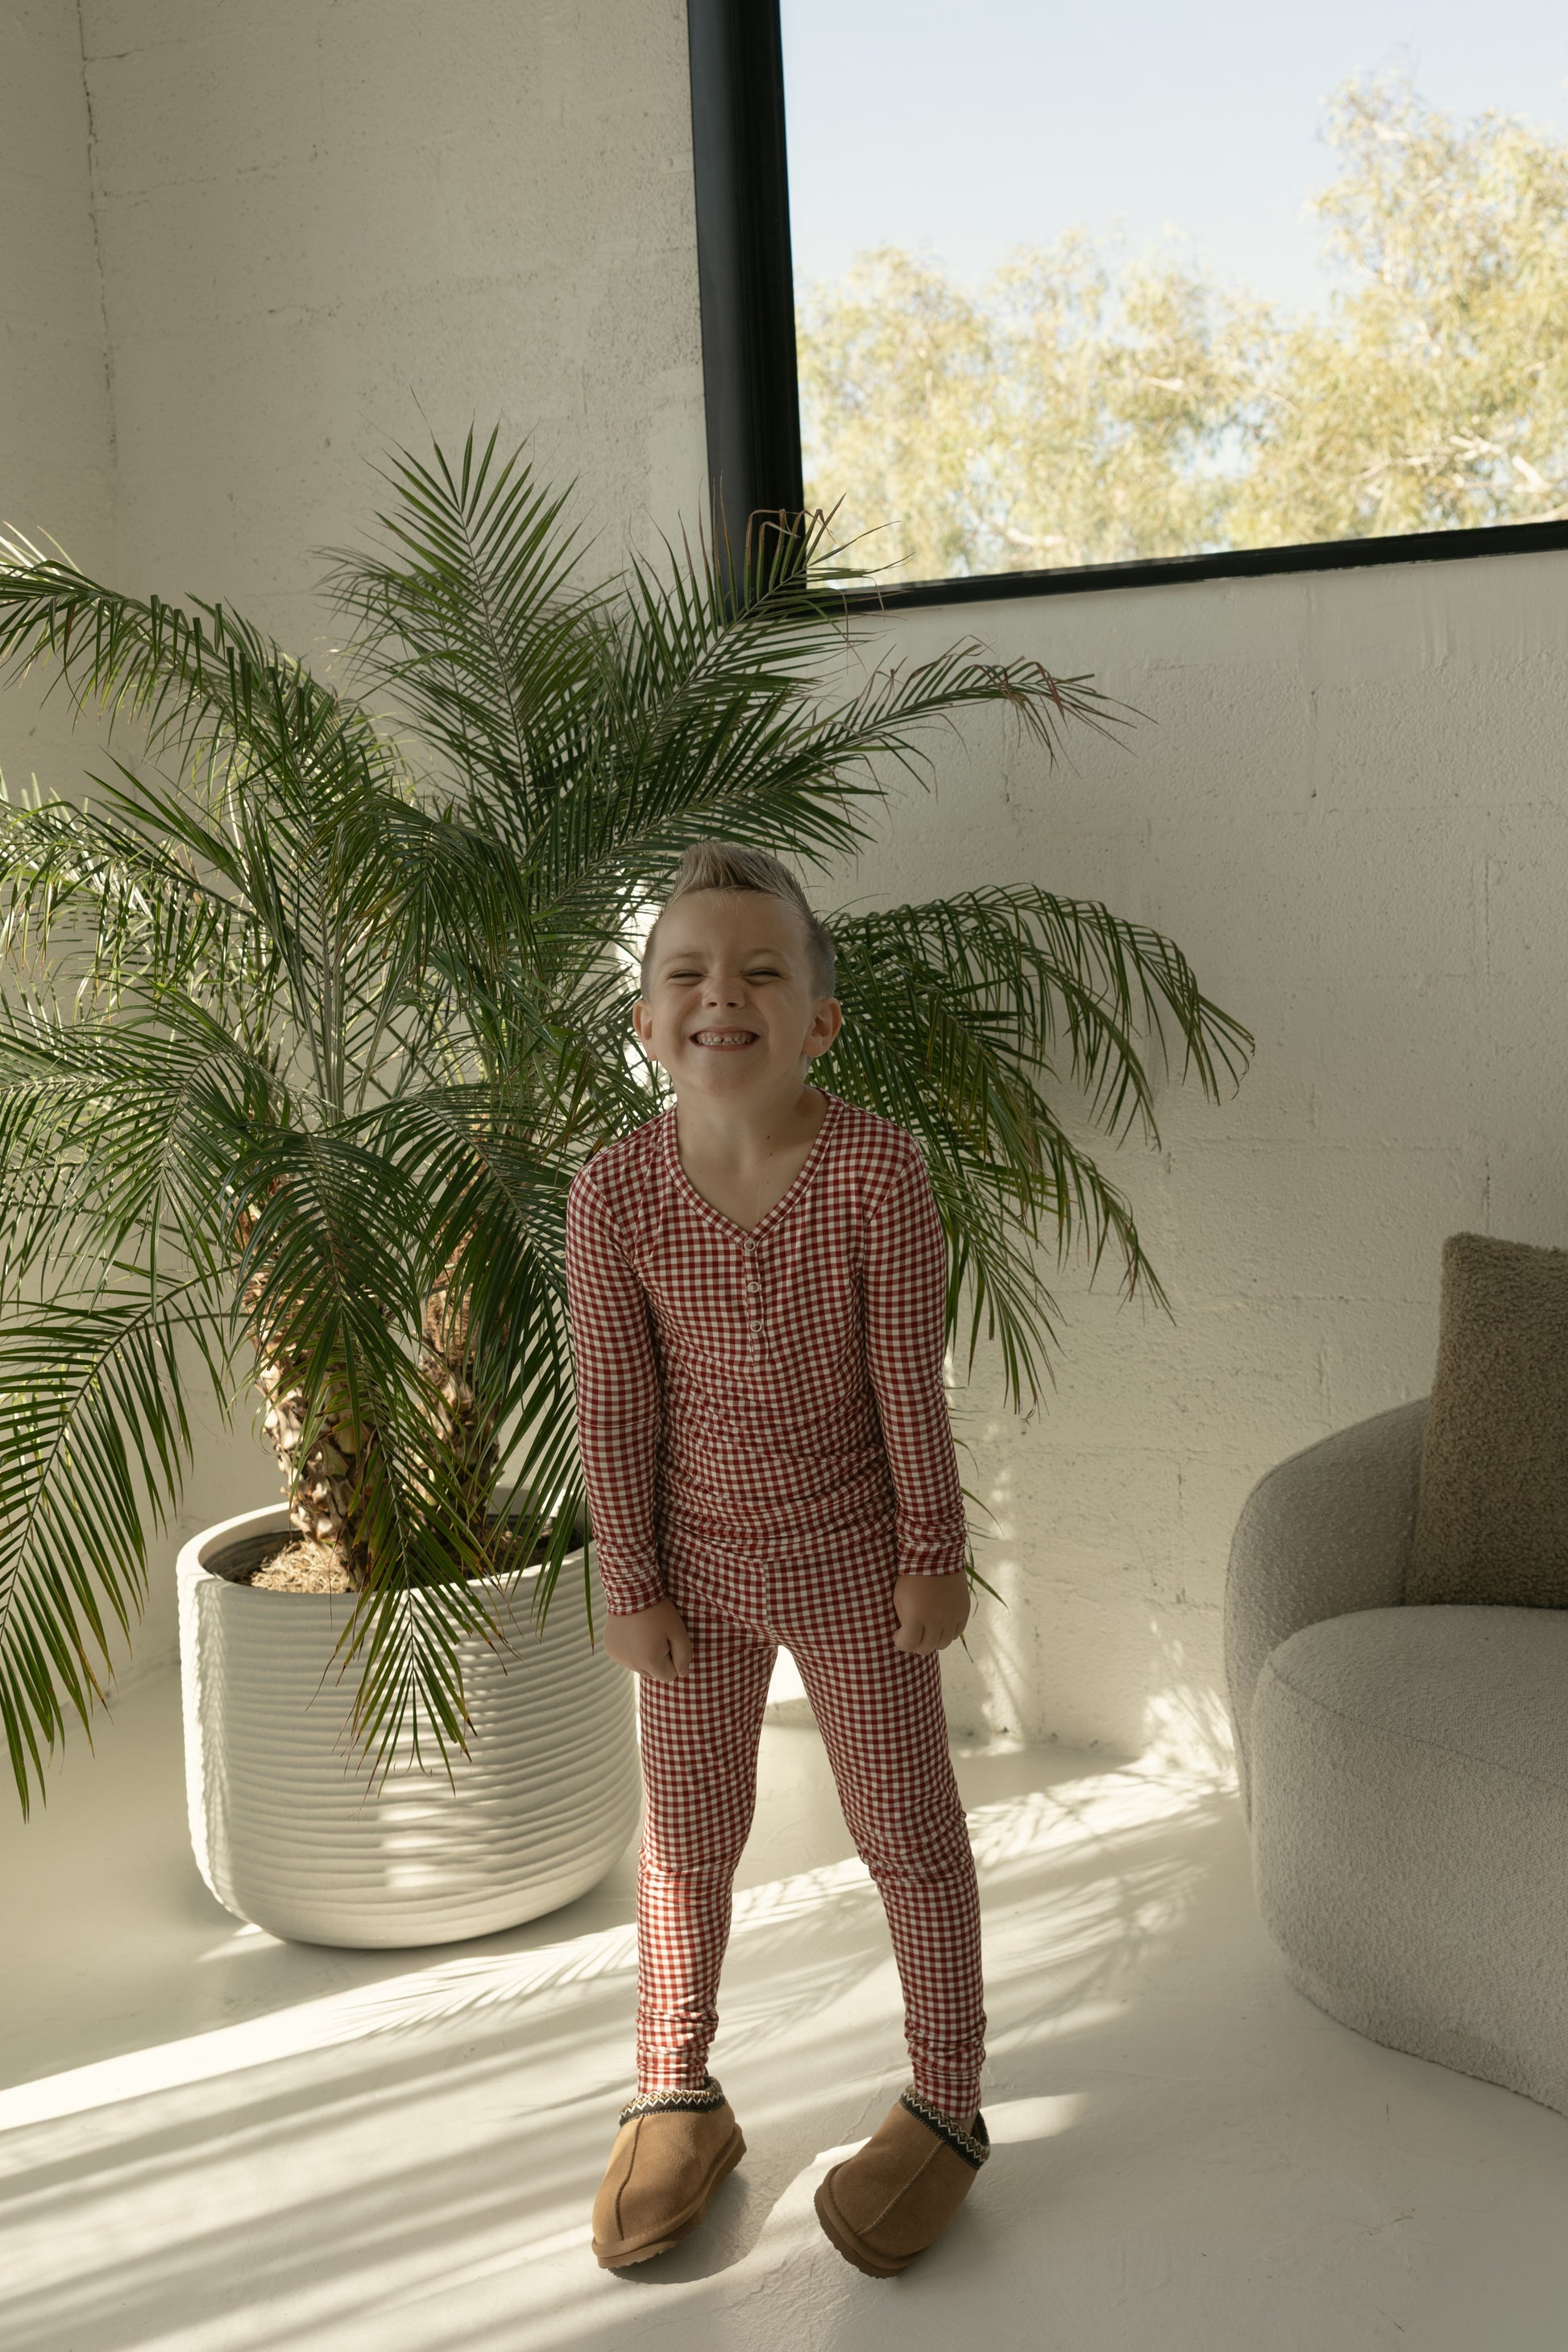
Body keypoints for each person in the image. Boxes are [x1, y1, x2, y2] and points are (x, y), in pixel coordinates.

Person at [564, 840, 989, 2279]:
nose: (719, 996)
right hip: (692, 1583)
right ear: (644, 1023)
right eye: (685, 973)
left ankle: (945, 2102)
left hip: (860, 1570)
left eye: (759, 971)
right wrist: (628, 1583)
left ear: (817, 1018)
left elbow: (905, 1382)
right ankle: (674, 2087)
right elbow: (613, 1404)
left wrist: (933, 1552)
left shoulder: (874, 1167)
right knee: (686, 1845)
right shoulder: (610, 1197)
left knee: (910, 1842)